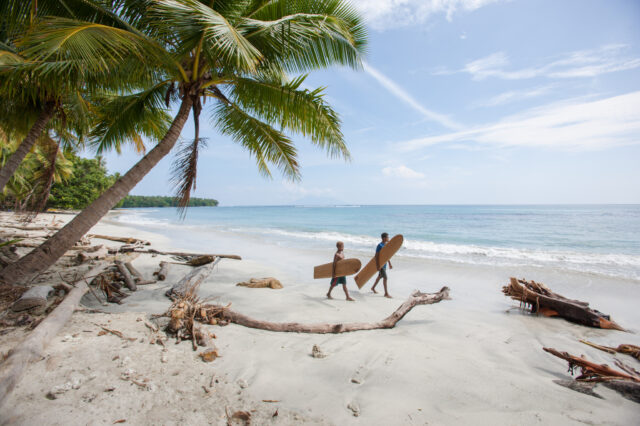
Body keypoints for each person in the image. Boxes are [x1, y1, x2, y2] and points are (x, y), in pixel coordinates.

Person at [371, 232, 392, 298]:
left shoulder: (386, 245)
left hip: (384, 264)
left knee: (380, 277)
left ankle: (373, 288)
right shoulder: (379, 245)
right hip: (380, 264)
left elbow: (386, 256)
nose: (388, 238)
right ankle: (386, 293)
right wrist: (378, 265)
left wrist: (389, 263)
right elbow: (376, 256)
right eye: (387, 237)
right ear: (383, 238)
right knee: (385, 278)